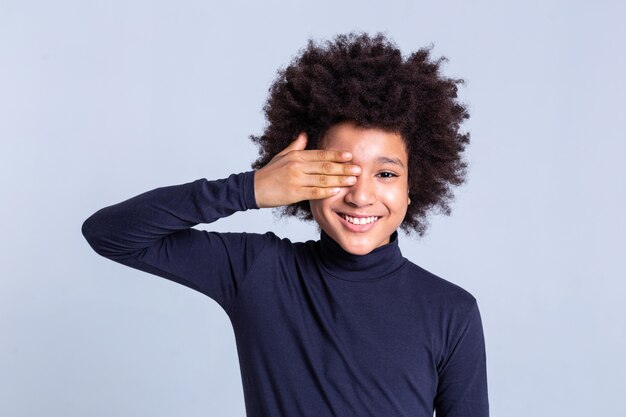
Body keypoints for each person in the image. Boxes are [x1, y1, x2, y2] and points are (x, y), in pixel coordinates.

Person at [82, 31, 489, 417]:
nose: (360, 195)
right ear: (303, 176)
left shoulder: (451, 311)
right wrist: (250, 188)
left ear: (412, 186)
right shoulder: (258, 271)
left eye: (385, 174)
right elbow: (111, 234)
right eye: (338, 173)